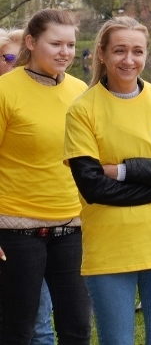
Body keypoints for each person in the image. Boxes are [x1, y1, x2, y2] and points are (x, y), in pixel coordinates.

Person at [64, 17, 151, 345]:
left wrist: (124, 170)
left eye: (137, 51)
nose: (129, 60)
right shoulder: (82, 110)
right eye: (120, 51)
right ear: (102, 54)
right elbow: (93, 187)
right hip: (109, 249)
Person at [0, 9, 91, 345]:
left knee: (77, 328)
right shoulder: (5, 90)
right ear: (31, 42)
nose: (64, 52)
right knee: (17, 330)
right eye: (55, 43)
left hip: (73, 227)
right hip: (15, 230)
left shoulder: (82, 90)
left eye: (70, 44)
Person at [0, 28, 55, 345]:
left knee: (38, 324)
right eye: (11, 58)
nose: (18, 65)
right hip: (9, 227)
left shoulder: (55, 104)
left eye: (24, 58)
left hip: (46, 230)